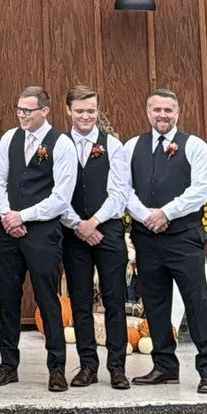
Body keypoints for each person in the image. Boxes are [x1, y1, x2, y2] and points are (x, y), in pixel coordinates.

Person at [128, 88, 207, 394]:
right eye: (157, 110)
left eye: (168, 110)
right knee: (154, 303)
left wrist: (166, 213)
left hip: (183, 237)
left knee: (197, 302)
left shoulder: (194, 146)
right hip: (147, 237)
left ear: (178, 113)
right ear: (147, 112)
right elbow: (122, 188)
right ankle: (165, 366)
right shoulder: (132, 147)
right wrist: (145, 216)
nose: (162, 115)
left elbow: (201, 190)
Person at [0, 85, 78, 391]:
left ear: (44, 111)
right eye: (19, 109)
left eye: (28, 110)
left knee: (47, 298)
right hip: (9, 231)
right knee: (8, 298)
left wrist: (24, 216)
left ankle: (56, 367)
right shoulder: (9, 139)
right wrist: (6, 215)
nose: (22, 115)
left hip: (42, 232)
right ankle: (8, 365)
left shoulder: (61, 144)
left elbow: (61, 197)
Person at [60, 85, 131, 389]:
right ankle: (87, 364)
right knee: (80, 300)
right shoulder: (60, 145)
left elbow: (120, 191)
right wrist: (78, 224)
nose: (86, 116)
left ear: (98, 111)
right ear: (69, 112)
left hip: (108, 230)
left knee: (115, 299)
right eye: (80, 111)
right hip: (73, 232)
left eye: (91, 110)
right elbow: (56, 193)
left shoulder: (113, 145)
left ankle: (117, 367)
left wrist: (95, 222)